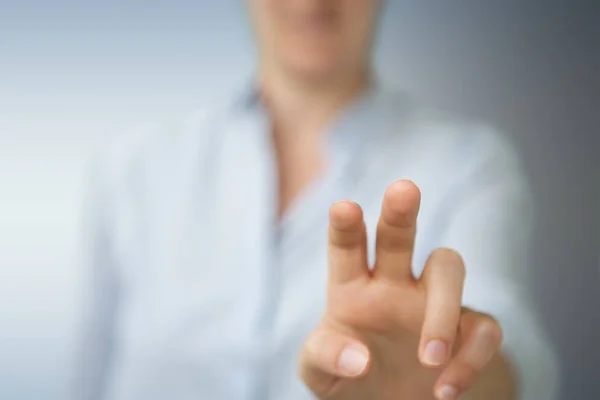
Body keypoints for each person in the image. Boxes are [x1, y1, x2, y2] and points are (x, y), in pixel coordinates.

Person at [73, 1, 558, 399]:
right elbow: (88, 378)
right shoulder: (132, 168)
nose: (310, 3)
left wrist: (449, 380)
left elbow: (509, 343)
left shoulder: (469, 165)